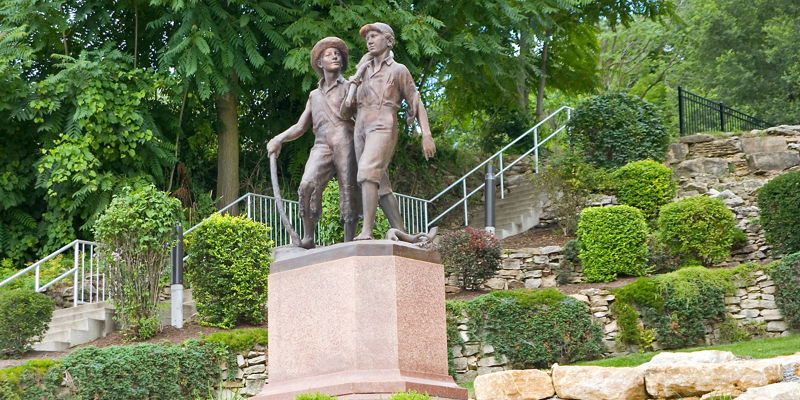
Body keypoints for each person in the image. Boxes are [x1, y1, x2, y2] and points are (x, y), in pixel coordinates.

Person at [344, 22, 436, 240]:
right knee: (381, 185)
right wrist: (355, 79)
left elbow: (415, 100)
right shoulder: (363, 71)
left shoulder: (398, 70)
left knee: (367, 172)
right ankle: (403, 235)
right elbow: (347, 107)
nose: (369, 40)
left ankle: (367, 231)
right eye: (367, 37)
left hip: (383, 124)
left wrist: (426, 134)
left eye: (374, 35)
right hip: (361, 126)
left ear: (389, 41)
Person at [267, 37, 358, 249]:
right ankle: (308, 237)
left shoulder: (350, 86)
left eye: (338, 54)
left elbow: (363, 117)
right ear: (319, 63)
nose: (334, 56)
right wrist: (279, 138)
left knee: (348, 190)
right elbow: (300, 127)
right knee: (307, 185)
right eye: (329, 54)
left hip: (346, 141)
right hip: (322, 145)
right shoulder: (314, 95)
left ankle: (348, 242)